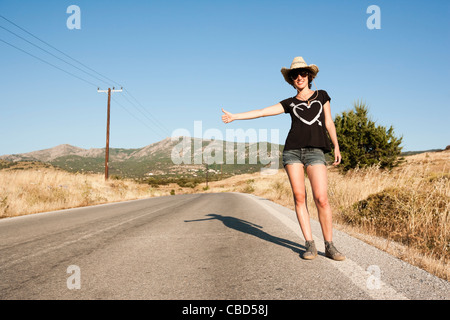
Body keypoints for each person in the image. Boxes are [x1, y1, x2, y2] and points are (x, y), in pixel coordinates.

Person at [221, 56, 345, 261]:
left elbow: (329, 122)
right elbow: (262, 112)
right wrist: (235, 116)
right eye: (295, 75)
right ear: (291, 80)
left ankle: (329, 245)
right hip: (292, 152)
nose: (299, 77)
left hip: (316, 151)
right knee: (299, 197)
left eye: (303, 73)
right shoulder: (289, 103)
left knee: (321, 199)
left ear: (310, 76)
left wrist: (336, 145)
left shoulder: (322, 95)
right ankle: (309, 244)